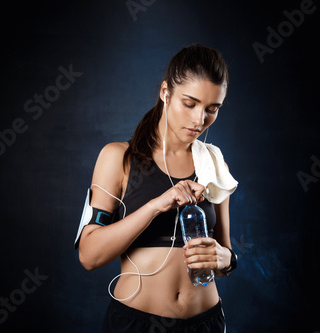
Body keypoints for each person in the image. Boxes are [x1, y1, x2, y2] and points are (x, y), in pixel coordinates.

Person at [75, 43, 238, 332]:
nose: (199, 120)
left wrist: (226, 259)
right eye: (190, 104)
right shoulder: (119, 157)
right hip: (137, 323)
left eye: (212, 109)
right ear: (165, 93)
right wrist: (156, 205)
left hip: (207, 321)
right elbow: (89, 255)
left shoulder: (213, 161)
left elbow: (225, 254)